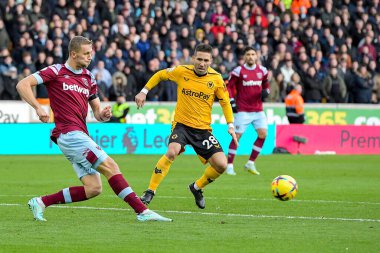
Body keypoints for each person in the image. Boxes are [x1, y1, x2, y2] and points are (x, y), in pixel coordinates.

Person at [16, 36, 172, 222]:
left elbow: (97, 112)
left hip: (79, 133)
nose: (90, 57)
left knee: (93, 188)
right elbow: (22, 84)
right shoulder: (56, 71)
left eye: (91, 53)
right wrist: (38, 107)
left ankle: (41, 202)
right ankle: (142, 211)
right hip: (69, 133)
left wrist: (103, 115)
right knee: (111, 166)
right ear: (73, 54)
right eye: (86, 53)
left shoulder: (88, 77)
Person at [135, 43, 238, 209]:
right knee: (171, 152)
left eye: (206, 60)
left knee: (221, 165)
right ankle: (150, 191)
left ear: (211, 60)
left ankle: (197, 187)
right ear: (193, 58)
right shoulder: (182, 71)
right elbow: (161, 74)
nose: (202, 63)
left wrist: (231, 125)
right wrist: (144, 91)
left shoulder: (217, 79)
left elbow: (225, 103)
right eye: (199, 59)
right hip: (182, 125)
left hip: (203, 130)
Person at [225, 46, 270, 176]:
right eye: (248, 54)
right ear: (245, 57)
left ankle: (250, 163)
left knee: (263, 134)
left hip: (258, 109)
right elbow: (229, 87)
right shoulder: (238, 71)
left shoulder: (263, 70)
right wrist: (231, 101)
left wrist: (266, 92)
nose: (250, 56)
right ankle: (229, 166)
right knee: (236, 137)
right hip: (243, 109)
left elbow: (266, 85)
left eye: (253, 54)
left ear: (256, 56)